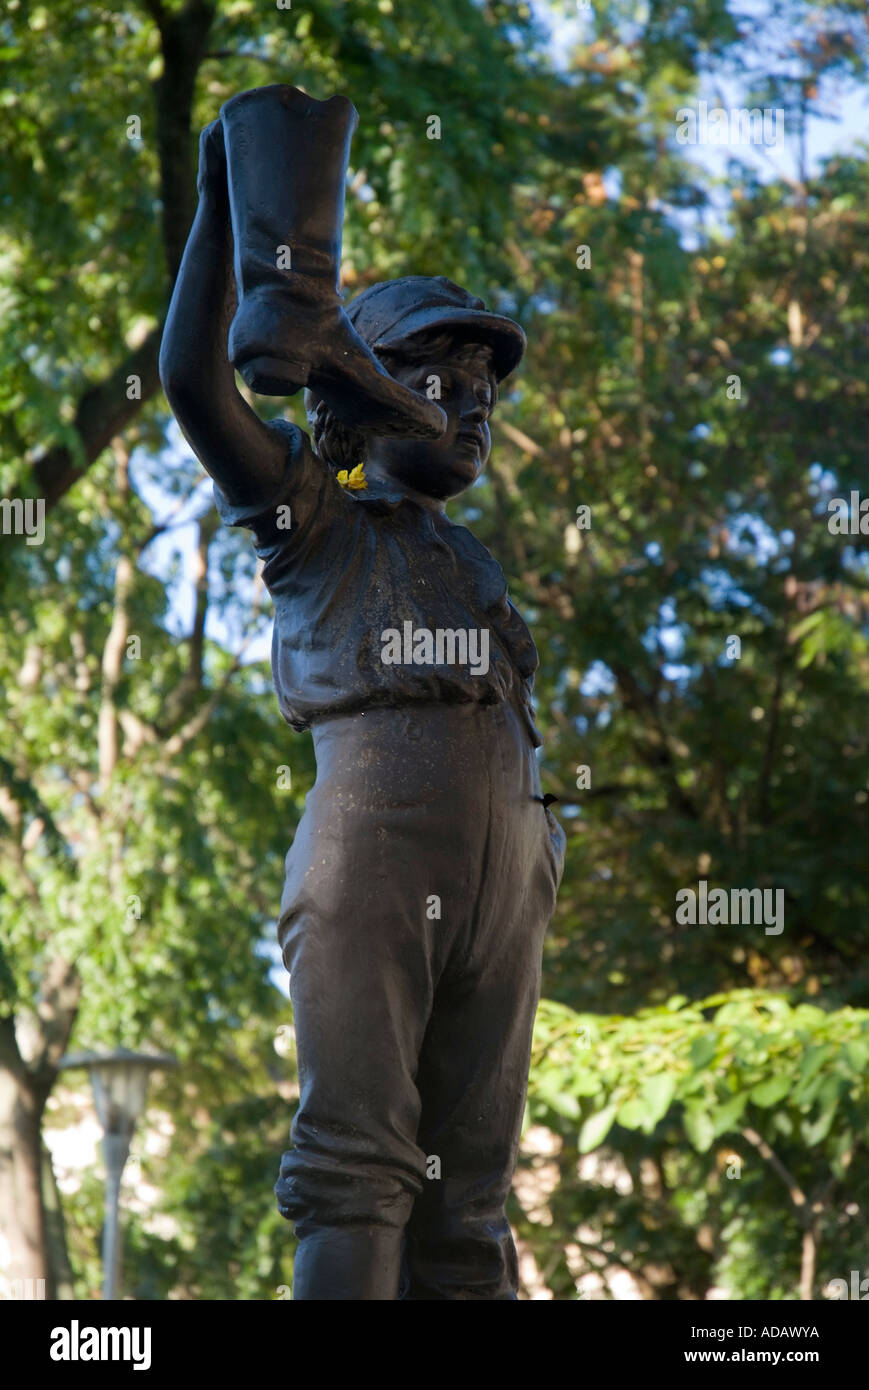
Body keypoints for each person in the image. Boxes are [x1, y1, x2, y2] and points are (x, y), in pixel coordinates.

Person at [159, 84, 565, 1300]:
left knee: (472, 1193)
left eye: (484, 385)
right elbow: (192, 379)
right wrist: (227, 196)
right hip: (376, 831)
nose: (474, 398)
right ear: (354, 395)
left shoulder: (474, 561)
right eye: (440, 372)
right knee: (358, 1164)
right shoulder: (314, 522)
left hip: (510, 860)